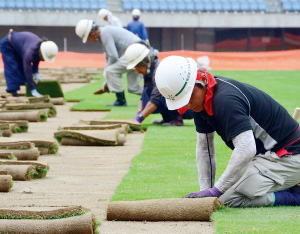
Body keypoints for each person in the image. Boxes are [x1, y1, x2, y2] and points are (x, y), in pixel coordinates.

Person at [155, 55, 300, 208]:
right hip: (267, 157)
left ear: (203, 80)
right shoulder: (201, 102)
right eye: (183, 100)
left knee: (226, 199)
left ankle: (295, 195)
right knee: (223, 192)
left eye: (189, 96)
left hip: (288, 156)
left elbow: (246, 148)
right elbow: (205, 149)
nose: (188, 104)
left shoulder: (226, 100)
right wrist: (205, 192)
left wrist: (216, 191)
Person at [75, 19, 143, 106]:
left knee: (110, 71)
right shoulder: (104, 34)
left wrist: (107, 72)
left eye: (88, 38)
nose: (90, 40)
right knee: (133, 88)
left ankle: (121, 100)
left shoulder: (105, 33)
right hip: (137, 51)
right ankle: (155, 94)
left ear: (92, 32)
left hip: (136, 51)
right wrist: (108, 79)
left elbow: (113, 56)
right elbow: (111, 57)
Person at [125, 43, 184, 126]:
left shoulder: (159, 71)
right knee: (147, 91)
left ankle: (177, 120)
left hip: (185, 106)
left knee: (162, 93)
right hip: (175, 102)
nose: (136, 70)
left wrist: (140, 118)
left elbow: (156, 99)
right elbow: (143, 96)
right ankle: (167, 119)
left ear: (142, 63)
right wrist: (138, 113)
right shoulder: (149, 71)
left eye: (135, 66)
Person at [0, 30, 58, 97]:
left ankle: (24, 85)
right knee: (13, 67)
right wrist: (33, 89)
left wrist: (36, 73)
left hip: (20, 46)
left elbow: (36, 59)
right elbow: (27, 70)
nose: (44, 60)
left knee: (21, 68)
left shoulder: (39, 47)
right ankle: (12, 90)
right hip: (8, 44)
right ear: (41, 52)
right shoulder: (29, 53)